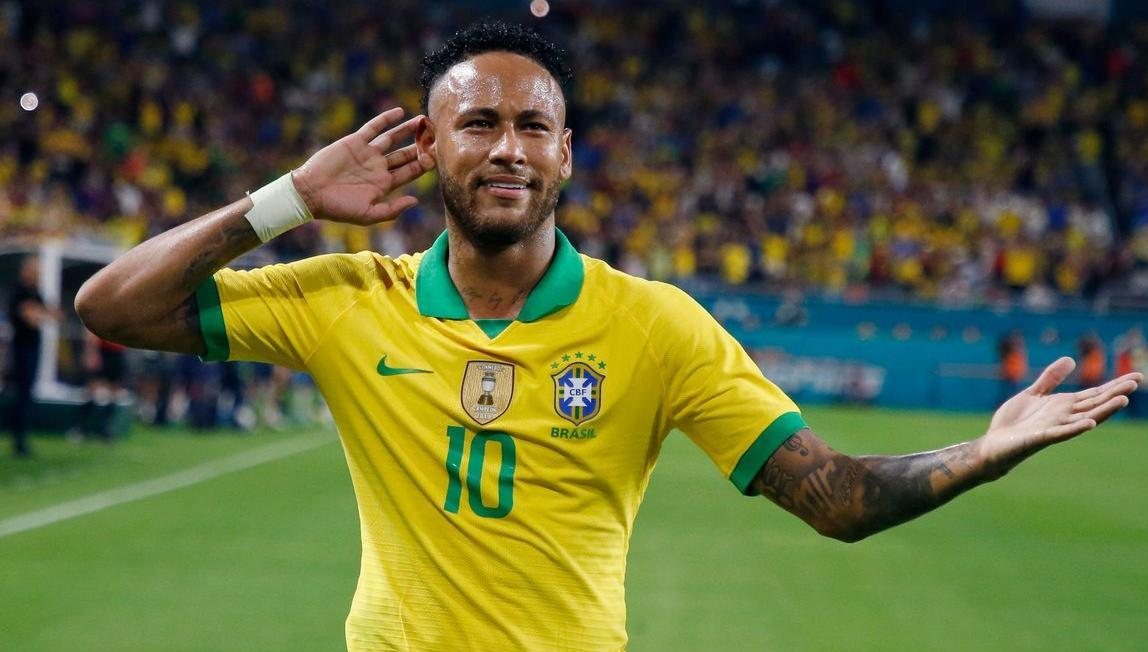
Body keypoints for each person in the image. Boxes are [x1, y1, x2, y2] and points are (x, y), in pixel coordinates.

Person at [74, 21, 1142, 652]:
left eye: (531, 125)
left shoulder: (655, 324)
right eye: (478, 123)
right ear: (428, 146)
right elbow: (112, 306)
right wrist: (288, 201)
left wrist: (981, 452)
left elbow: (839, 500)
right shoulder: (350, 296)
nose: (507, 147)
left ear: (566, 153)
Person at [4, 255, 60, 457]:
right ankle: (18, 439)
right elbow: (32, 318)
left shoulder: (35, 293)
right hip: (21, 348)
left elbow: (54, 314)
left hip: (32, 347)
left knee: (26, 393)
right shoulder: (19, 291)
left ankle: (21, 438)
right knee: (20, 393)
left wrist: (39, 313)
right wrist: (39, 313)